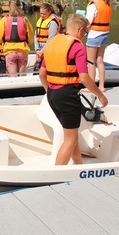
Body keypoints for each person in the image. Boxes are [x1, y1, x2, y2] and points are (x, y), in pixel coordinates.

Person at [39, 14, 108, 165]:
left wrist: (49, 91)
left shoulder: (53, 43)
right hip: (67, 96)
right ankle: (57, 176)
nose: (84, 36)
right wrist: (100, 96)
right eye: (85, 33)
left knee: (71, 134)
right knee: (69, 140)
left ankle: (78, 165)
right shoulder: (77, 47)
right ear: (80, 30)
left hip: (52, 94)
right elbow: (84, 77)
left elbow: (42, 74)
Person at [0, 0, 34, 75]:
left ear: (9, 7)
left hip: (10, 51)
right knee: (22, 77)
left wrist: (4, 42)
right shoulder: (25, 19)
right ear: (20, 6)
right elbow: (31, 39)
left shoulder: (4, 20)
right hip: (22, 51)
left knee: (12, 77)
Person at [85, 0, 112, 91]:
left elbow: (88, 22)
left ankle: (91, 87)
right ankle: (101, 86)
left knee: (90, 62)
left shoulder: (93, 6)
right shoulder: (106, 3)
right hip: (105, 34)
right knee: (100, 61)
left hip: (94, 35)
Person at [33, 2, 61, 72]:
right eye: (41, 13)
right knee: (37, 67)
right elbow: (36, 35)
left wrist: (42, 52)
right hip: (39, 49)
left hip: (49, 48)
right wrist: (37, 49)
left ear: (49, 12)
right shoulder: (40, 20)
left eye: (44, 14)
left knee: (45, 68)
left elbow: (51, 39)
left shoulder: (52, 22)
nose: (42, 15)